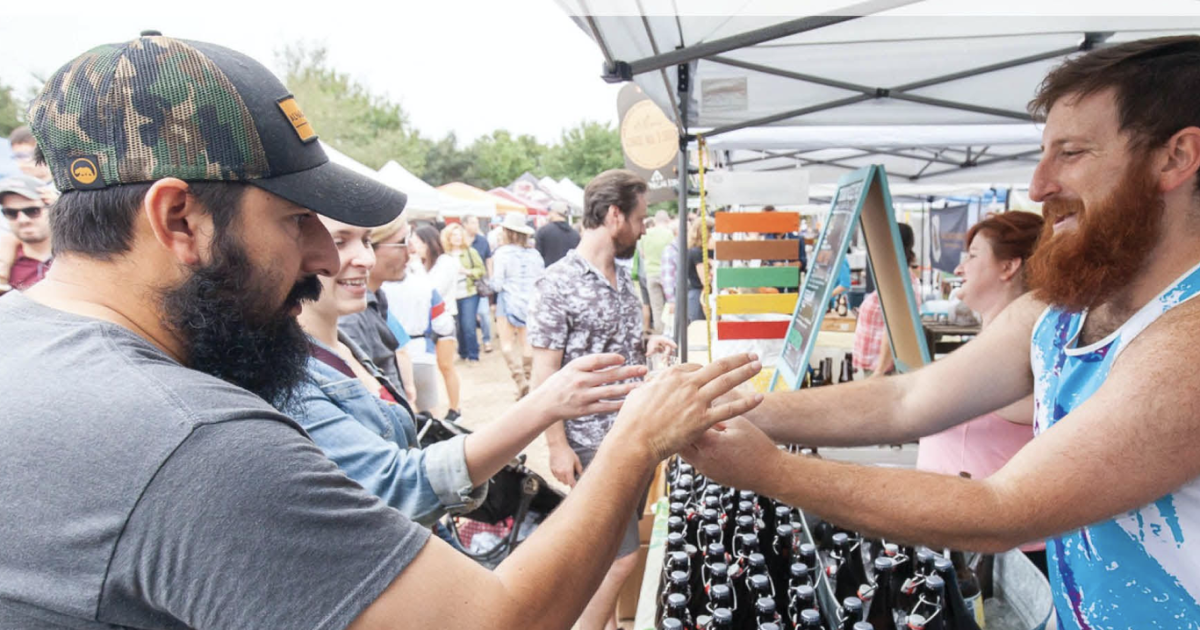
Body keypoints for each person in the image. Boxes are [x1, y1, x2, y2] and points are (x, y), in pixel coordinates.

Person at [0, 33, 763, 630]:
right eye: (298, 220)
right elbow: (494, 623)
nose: (326, 256)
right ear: (179, 219)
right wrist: (635, 442)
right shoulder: (192, 444)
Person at [681, 36, 1200, 630]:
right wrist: (731, 407)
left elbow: (1005, 509)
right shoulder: (1061, 311)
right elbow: (907, 400)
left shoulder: (1189, 338)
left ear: (1175, 157)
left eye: (1072, 153)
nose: (1038, 186)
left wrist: (768, 470)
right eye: (1042, 154)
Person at [292, 212, 646, 526]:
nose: (365, 257)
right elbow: (398, 485)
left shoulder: (346, 343)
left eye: (367, 241)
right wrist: (545, 403)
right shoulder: (295, 375)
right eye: (340, 242)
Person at [529, 169, 678, 630]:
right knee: (618, 559)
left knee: (607, 555)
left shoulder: (623, 276)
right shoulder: (557, 283)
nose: (644, 227)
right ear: (614, 215)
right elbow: (544, 374)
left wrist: (645, 345)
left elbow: (612, 345)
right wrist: (557, 446)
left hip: (635, 432)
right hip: (594, 442)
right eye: (640, 217)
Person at [915, 210, 1048, 569]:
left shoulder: (1034, 353)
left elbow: (904, 406)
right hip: (959, 540)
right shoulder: (999, 345)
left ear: (1008, 267)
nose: (960, 268)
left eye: (973, 256)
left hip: (1001, 559)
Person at [378, 219, 454, 419]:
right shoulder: (427, 287)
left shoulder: (379, 290)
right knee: (432, 416)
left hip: (388, 358)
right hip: (421, 352)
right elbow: (444, 325)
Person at [410, 223, 464, 421]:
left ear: (428, 242)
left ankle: (455, 409)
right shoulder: (423, 264)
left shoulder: (445, 262)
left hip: (444, 320)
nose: (414, 247)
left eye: (417, 242)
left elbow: (432, 291)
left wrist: (415, 266)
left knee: (446, 366)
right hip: (423, 324)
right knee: (430, 370)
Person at [852, 223, 919, 376]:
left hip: (883, 370)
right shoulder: (893, 276)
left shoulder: (900, 282)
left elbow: (893, 329)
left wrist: (879, 371)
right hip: (876, 366)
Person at [492, 212, 545, 398]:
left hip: (507, 302)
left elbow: (497, 284)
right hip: (531, 303)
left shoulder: (502, 253)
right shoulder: (535, 255)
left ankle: (520, 380)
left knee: (506, 345)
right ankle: (530, 381)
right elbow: (541, 280)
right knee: (527, 345)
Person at [0, 174, 53, 293]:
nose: (23, 220)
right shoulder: (5, 263)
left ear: (52, 208)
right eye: (11, 212)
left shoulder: (77, 254)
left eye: (32, 211)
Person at [442, 222, 486, 363]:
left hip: (469, 292)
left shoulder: (470, 252)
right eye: (454, 235)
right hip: (451, 295)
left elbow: (481, 270)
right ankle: (463, 352)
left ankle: (473, 355)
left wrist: (467, 272)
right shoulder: (444, 256)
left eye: (459, 234)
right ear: (448, 237)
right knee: (458, 326)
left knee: (468, 325)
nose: (457, 237)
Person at [464, 214, 494, 353]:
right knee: (467, 318)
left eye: (476, 223)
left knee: (484, 313)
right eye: (472, 222)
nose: (476, 226)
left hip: (480, 281)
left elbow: (488, 259)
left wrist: (490, 276)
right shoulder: (460, 241)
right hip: (464, 284)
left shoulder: (482, 241)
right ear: (465, 224)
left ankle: (487, 340)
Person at [640, 210, 673, 334]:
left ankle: (660, 334)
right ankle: (671, 332)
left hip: (651, 273)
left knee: (657, 307)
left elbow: (642, 254)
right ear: (667, 220)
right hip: (667, 274)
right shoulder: (669, 234)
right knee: (670, 305)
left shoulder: (646, 234)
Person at [535, 199, 580, 266]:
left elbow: (538, 257)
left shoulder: (543, 231)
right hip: (569, 274)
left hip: (548, 273)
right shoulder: (575, 235)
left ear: (553, 212)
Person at [685, 217, 708, 322]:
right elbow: (704, 280)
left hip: (695, 294)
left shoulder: (693, 250)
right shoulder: (696, 252)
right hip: (698, 296)